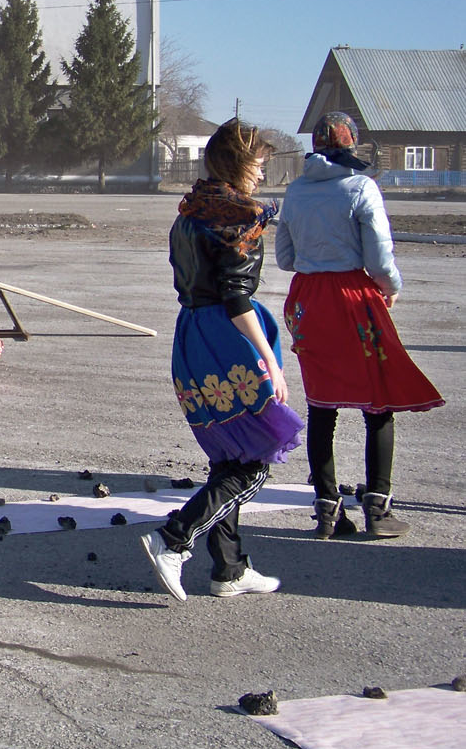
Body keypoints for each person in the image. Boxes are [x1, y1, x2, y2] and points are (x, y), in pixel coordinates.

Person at [140, 118, 305, 601]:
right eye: (256, 162)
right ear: (237, 162)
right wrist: (271, 363)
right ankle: (173, 538)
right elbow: (237, 299)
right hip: (227, 337)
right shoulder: (241, 215)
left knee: (229, 452)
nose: (260, 172)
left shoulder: (190, 211)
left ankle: (229, 568)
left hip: (191, 334)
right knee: (253, 461)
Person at [274, 111, 444, 538]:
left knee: (321, 405)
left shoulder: (295, 191)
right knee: (378, 400)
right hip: (353, 299)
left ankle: (326, 508)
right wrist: (390, 286)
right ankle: (378, 508)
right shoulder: (360, 187)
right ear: (350, 147)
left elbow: (285, 259)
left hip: (308, 300)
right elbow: (379, 255)